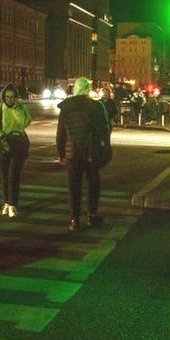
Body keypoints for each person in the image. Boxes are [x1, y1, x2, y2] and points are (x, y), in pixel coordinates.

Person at [56, 77, 110, 233]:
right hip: (90, 151)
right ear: (87, 89)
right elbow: (104, 130)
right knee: (93, 183)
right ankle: (92, 215)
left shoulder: (66, 107)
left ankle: (74, 220)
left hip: (72, 151)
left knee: (74, 185)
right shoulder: (96, 106)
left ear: (75, 89)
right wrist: (104, 146)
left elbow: (61, 133)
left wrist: (61, 153)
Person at [0, 84, 32, 219]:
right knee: (5, 177)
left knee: (14, 176)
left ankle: (13, 204)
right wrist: (1, 136)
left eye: (12, 97)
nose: (9, 100)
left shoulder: (21, 108)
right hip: (1, 147)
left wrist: (14, 109)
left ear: (16, 98)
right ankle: (6, 202)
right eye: (7, 97)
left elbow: (24, 123)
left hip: (18, 146)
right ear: (3, 97)